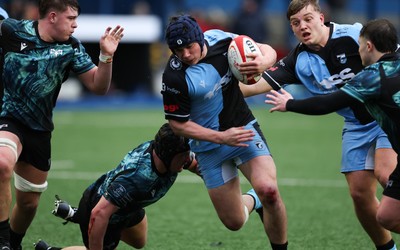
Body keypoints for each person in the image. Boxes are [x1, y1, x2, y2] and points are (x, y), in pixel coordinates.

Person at [239, 0, 397, 249]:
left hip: (386, 118)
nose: (302, 26)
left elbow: (393, 55)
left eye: (308, 18)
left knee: (385, 173)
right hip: (355, 125)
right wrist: (213, 92)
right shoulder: (297, 60)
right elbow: (254, 86)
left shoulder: (354, 35)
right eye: (295, 23)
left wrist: (291, 104)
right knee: (359, 194)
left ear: (321, 18)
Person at [0, 0, 124, 249]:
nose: (75, 24)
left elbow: (98, 87)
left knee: (28, 204)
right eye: (71, 19)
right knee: (2, 163)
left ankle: (13, 243)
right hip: (8, 118)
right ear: (53, 17)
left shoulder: (71, 47)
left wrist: (106, 57)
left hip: (40, 130)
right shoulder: (12, 31)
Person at [161, 14, 288, 249]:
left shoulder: (222, 40)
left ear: (200, 38)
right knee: (235, 221)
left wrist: (262, 62)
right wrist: (221, 137)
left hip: (243, 129)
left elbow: (267, 49)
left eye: (190, 47)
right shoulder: (173, 76)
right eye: (178, 51)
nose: (186, 55)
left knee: (269, 190)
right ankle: (253, 201)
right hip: (209, 148)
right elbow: (177, 124)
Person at [33, 123, 199, 250]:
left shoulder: (171, 154)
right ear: (167, 154)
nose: (187, 159)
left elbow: (195, 164)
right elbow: (99, 214)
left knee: (139, 241)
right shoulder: (135, 179)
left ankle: (76, 215)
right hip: (100, 209)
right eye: (183, 156)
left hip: (129, 207)